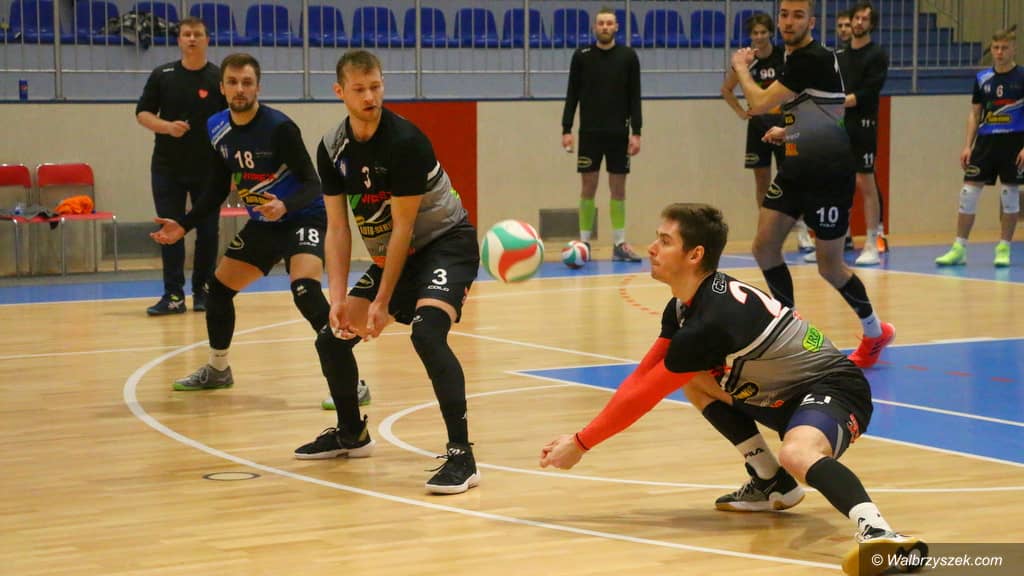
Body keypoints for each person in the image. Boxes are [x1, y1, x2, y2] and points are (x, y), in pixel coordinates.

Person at [540, 203, 928, 576]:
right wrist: (580, 438)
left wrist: (581, 443)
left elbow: (646, 395)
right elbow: (643, 376)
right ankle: (770, 481)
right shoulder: (683, 306)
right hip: (780, 393)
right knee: (694, 380)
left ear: (695, 255)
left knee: (797, 453)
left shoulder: (711, 321)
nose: (652, 248)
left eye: (665, 241)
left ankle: (879, 533)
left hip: (834, 388)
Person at [295, 49, 481, 495]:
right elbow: (338, 228)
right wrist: (338, 297)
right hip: (397, 255)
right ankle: (351, 434)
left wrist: (381, 302)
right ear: (340, 92)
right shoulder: (331, 148)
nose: (370, 97)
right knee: (331, 337)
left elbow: (403, 228)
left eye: (376, 86)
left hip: (445, 245)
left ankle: (462, 456)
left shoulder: (405, 142)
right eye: (359, 89)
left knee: (427, 334)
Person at [150, 53, 370, 414]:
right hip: (265, 223)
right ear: (222, 88)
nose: (240, 89)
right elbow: (217, 188)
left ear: (258, 87)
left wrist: (285, 205)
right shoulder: (216, 127)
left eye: (247, 82)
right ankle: (218, 369)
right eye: (233, 82)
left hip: (303, 216)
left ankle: (352, 382)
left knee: (305, 291)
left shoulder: (279, 127)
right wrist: (184, 224)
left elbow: (312, 184)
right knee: (217, 290)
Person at [730, 0, 894, 369]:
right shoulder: (799, 58)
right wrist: (789, 130)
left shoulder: (812, 58)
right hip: (796, 165)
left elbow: (758, 103)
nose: (789, 22)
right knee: (764, 246)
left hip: (828, 173)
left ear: (812, 22)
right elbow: (826, 109)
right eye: (784, 14)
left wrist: (741, 67)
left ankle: (874, 332)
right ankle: (787, 328)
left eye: (798, 15)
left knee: (830, 267)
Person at [136, 16, 225, 316]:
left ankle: (203, 291)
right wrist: (167, 127)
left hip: (209, 170)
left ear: (207, 39)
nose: (192, 39)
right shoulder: (163, 75)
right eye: (186, 34)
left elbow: (232, 121)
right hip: (168, 168)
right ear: (179, 40)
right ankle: (173, 295)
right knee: (169, 228)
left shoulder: (218, 78)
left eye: (197, 34)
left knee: (208, 232)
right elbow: (143, 113)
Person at [721, 13, 814, 253]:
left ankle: (802, 231)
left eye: (763, 32)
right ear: (750, 36)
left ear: (771, 33)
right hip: (758, 127)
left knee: (791, 177)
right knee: (762, 180)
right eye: (755, 33)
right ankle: (767, 232)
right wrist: (741, 112)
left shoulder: (784, 56)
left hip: (785, 125)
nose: (760, 36)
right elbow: (726, 90)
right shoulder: (746, 62)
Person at [935, 29, 1023, 268]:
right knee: (968, 193)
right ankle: (959, 248)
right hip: (985, 142)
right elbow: (975, 113)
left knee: (1010, 195)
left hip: (1014, 142)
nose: (999, 52)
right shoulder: (983, 78)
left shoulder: (1022, 76)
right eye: (996, 48)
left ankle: (1004, 247)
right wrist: (968, 145)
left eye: (1004, 48)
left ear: (1013, 49)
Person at [561, 8, 644, 262]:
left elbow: (635, 96)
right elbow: (572, 94)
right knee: (588, 187)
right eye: (601, 23)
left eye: (609, 23)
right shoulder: (581, 56)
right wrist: (566, 129)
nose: (605, 27)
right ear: (594, 27)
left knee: (618, 188)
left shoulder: (628, 56)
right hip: (589, 133)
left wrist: (637, 132)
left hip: (619, 133)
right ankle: (584, 243)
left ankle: (619, 243)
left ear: (616, 27)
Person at [841, 1, 890, 267]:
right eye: (856, 18)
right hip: (839, 124)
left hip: (863, 124)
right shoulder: (841, 55)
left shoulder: (877, 55)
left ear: (872, 24)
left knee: (865, 181)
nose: (859, 22)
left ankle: (872, 241)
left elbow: (869, 92)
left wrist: (840, 101)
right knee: (838, 181)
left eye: (864, 19)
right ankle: (836, 239)